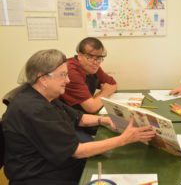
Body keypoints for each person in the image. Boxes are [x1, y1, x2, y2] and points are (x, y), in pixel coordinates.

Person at [2, 49, 155, 185]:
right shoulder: (34, 109)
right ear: (43, 79)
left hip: (56, 164)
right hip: (41, 176)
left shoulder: (46, 96)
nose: (68, 80)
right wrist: (124, 139)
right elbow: (77, 151)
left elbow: (79, 118)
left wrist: (105, 120)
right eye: (63, 75)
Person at [61, 37, 117, 114]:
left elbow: (113, 84)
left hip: (82, 113)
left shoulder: (92, 66)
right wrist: (105, 92)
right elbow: (91, 108)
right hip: (67, 116)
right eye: (90, 57)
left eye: (99, 58)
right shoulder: (70, 71)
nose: (95, 62)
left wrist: (95, 100)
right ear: (79, 56)